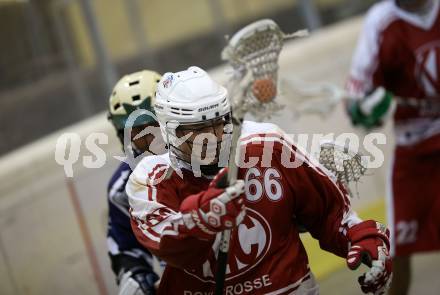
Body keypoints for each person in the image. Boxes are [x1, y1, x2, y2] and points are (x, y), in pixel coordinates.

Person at [126, 66, 392, 294]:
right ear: (169, 130)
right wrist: (203, 216)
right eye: (197, 130)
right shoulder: (150, 180)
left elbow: (328, 210)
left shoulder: (267, 145)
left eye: (218, 123)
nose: (214, 137)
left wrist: (359, 237)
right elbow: (167, 243)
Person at [345, 0, 440, 294]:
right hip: (414, 151)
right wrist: (361, 108)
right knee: (398, 251)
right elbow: (356, 96)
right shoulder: (381, 22)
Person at [107, 70, 166, 295]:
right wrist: (134, 275)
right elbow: (125, 249)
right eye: (134, 131)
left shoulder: (206, 156)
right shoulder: (122, 189)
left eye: (152, 126)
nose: (146, 140)